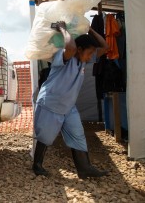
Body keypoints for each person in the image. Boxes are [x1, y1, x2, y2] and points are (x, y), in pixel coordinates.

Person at [32, 21, 109, 179]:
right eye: (89, 52)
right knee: (45, 136)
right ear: (79, 50)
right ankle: (37, 165)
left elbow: (106, 47)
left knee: (78, 135)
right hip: (51, 104)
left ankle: (84, 168)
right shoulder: (64, 56)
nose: (90, 56)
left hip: (68, 107)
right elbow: (71, 47)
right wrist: (62, 29)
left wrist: (91, 30)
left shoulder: (82, 60)